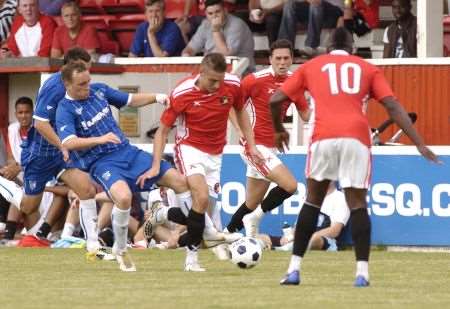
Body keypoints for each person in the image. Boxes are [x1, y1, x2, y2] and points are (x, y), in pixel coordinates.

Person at [270, 27, 439, 287]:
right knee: (357, 203)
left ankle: (294, 269)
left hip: (323, 136)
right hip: (356, 138)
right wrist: (419, 143)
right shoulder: (367, 68)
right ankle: (362, 274)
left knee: (313, 200)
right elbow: (392, 105)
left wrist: (279, 129)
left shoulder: (313, 66)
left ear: (327, 48)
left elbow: (276, 99)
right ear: (352, 48)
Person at [55, 61, 194, 272]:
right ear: (67, 84)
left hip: (128, 153)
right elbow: (68, 142)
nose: (87, 87)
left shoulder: (99, 90)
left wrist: (157, 97)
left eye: (88, 81)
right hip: (102, 163)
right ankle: (120, 249)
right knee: (123, 197)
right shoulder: (64, 109)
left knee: (180, 182)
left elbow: (130, 100)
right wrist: (100, 139)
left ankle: (200, 236)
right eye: (81, 84)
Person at [138, 53, 264, 271]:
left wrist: (251, 145)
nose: (217, 85)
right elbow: (162, 132)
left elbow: (240, 110)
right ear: (201, 72)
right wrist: (156, 165)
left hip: (216, 153)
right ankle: (192, 259)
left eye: (220, 80)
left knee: (200, 211)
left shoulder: (233, 84)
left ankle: (163, 214)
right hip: (189, 148)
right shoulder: (181, 92)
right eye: (212, 80)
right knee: (201, 198)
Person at [0, 48, 107, 259]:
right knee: (29, 207)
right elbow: (40, 124)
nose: (87, 74)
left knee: (86, 190)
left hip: (59, 154)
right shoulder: (53, 87)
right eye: (83, 68)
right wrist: (63, 145)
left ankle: (95, 247)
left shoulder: (78, 86)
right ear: (70, 66)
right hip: (40, 153)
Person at [225, 39, 309, 238]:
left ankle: (224, 236)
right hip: (254, 145)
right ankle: (254, 218)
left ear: (292, 59)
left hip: (271, 148)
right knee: (290, 186)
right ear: (270, 59)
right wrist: (239, 129)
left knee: (251, 203)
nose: (282, 62)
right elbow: (230, 104)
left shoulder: (295, 82)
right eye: (278, 58)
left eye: (286, 58)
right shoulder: (254, 80)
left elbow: (306, 115)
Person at [181, 0, 255, 74]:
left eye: (218, 12)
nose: (214, 16)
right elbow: (190, 48)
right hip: (213, 70)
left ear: (225, 11)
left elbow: (226, 54)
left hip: (241, 71)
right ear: (206, 14)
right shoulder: (205, 24)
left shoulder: (237, 24)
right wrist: (186, 55)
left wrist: (216, 30)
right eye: (210, 13)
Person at [278, 0, 344, 57]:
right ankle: (285, 47)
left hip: (334, 8)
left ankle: (311, 46)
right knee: (289, 5)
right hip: (312, 7)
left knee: (315, 4)